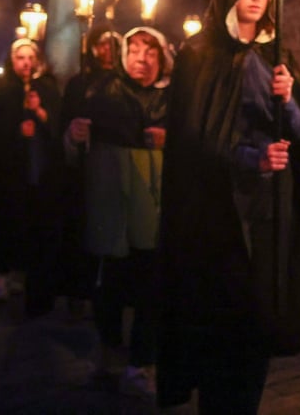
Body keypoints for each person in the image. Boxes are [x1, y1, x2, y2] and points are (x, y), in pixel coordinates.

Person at [158, 0, 300, 413]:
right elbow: (195, 140)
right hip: (219, 214)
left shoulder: (277, 54)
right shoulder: (199, 56)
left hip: (269, 211)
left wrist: (289, 99)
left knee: (259, 324)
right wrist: (252, 158)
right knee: (225, 327)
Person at [65, 25, 171, 399]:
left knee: (151, 290)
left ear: (162, 56)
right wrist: (74, 136)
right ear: (124, 56)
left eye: (150, 52)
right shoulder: (102, 92)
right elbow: (74, 152)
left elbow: (196, 147)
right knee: (108, 285)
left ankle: (141, 361)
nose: (141, 60)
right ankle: (109, 350)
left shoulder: (174, 98)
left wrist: (168, 140)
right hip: (111, 205)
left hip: (154, 210)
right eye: (134, 51)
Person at [0, 38, 63, 312]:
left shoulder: (47, 87)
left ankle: (23, 273)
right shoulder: (2, 90)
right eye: (21, 58)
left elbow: (56, 123)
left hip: (39, 169)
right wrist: (16, 132)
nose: (26, 63)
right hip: (11, 171)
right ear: (12, 60)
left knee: (31, 223)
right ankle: (1, 276)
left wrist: (40, 113)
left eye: (31, 57)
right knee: (7, 220)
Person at [59, 26, 123, 317]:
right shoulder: (80, 84)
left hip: (116, 169)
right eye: (102, 44)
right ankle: (79, 290)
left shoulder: (124, 82)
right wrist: (74, 135)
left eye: (113, 44)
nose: (107, 50)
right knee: (82, 230)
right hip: (84, 170)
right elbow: (66, 123)